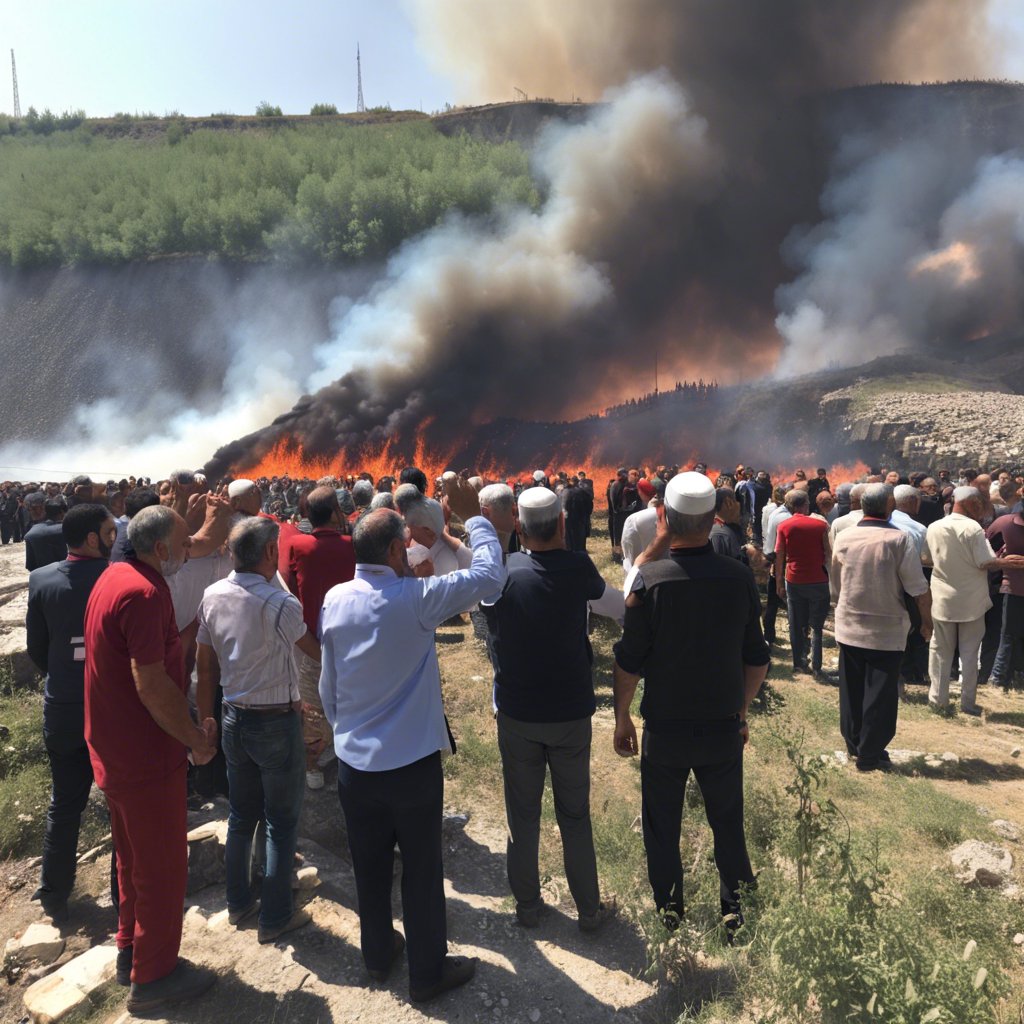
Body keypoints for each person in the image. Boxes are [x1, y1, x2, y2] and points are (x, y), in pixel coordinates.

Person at [318, 479, 506, 1002]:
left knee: (370, 865)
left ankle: (378, 956)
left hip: (355, 765)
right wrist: (477, 520)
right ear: (399, 550)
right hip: (411, 767)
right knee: (422, 871)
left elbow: (327, 686)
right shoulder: (417, 600)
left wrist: (345, 734)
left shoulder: (334, 600)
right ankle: (427, 974)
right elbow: (490, 575)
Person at [611, 473, 769, 940]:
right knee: (728, 822)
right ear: (712, 518)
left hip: (666, 730)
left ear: (669, 520)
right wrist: (740, 711)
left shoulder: (650, 581)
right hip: (722, 727)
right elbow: (757, 660)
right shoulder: (739, 576)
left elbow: (628, 661)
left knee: (662, 825)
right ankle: (737, 916)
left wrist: (622, 716)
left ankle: (669, 915)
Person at [84, 506, 218, 1013]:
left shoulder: (114, 576)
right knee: (162, 867)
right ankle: (155, 977)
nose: (187, 552)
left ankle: (129, 948)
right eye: (183, 544)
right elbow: (152, 682)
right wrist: (194, 739)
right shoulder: (143, 592)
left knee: (132, 858)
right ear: (160, 548)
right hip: (144, 755)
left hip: (113, 747)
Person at [482, 486, 623, 932]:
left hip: (518, 713)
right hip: (570, 714)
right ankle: (589, 910)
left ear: (519, 528)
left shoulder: (504, 572)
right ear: (563, 524)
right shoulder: (579, 567)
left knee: (521, 815)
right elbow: (616, 606)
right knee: (574, 815)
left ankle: (527, 906)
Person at [196, 517, 322, 943]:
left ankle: (238, 903)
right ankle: (276, 917)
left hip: (233, 716)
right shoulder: (280, 605)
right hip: (275, 722)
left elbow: (205, 662)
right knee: (282, 821)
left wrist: (205, 716)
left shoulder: (212, 595)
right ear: (271, 553)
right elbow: (309, 648)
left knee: (240, 815)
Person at [26, 505, 118, 926]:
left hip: (62, 706)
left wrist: (65, 674)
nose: (115, 537)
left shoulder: (42, 579)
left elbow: (37, 650)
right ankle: (125, 895)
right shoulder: (116, 577)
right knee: (121, 803)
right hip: (109, 709)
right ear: (93, 538)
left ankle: (53, 892)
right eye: (109, 531)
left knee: (65, 803)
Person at [830, 483, 931, 771]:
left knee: (851, 688)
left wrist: (839, 606)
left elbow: (836, 582)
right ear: (889, 506)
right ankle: (869, 754)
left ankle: (855, 744)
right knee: (880, 693)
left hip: (849, 624)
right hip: (886, 629)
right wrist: (926, 621)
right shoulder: (898, 540)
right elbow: (916, 587)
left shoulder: (845, 536)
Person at [280, 486, 356, 789]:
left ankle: (312, 766)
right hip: (350, 639)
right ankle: (346, 753)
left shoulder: (298, 546)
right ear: (337, 512)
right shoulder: (352, 545)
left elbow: (289, 585)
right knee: (348, 697)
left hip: (312, 639)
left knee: (313, 705)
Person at [925, 487, 1024, 715]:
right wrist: (1008, 562)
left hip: (942, 599)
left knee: (940, 651)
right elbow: (985, 561)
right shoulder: (972, 529)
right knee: (970, 654)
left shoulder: (934, 527)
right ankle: (967, 703)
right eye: (978, 504)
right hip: (970, 601)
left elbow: (926, 557)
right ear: (969, 503)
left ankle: (938, 700)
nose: (981, 509)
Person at [775, 489, 831, 676]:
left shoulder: (784, 526)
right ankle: (816, 664)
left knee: (796, 622)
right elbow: (828, 553)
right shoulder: (820, 525)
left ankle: (799, 662)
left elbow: (780, 556)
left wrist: (778, 584)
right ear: (805, 504)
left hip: (794, 579)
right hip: (818, 580)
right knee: (817, 625)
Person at [25, 497, 68, 571]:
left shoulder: (30, 534)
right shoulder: (69, 529)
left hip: (44, 577)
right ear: (62, 512)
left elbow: (30, 566)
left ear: (44, 512)